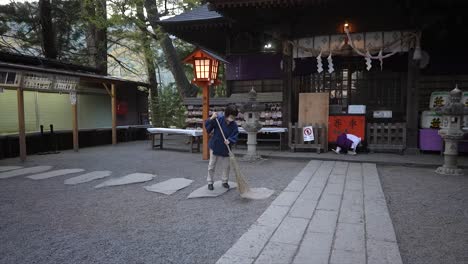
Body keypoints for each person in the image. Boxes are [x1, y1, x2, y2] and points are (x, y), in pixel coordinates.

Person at [204, 104, 239, 191]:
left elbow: (235, 134)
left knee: (226, 166)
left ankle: (224, 181)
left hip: (226, 148)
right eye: (231, 116)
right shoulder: (218, 119)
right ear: (227, 114)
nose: (232, 119)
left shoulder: (234, 125)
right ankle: (210, 182)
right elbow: (207, 127)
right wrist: (211, 118)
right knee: (211, 165)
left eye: (234, 117)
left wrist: (230, 140)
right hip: (215, 145)